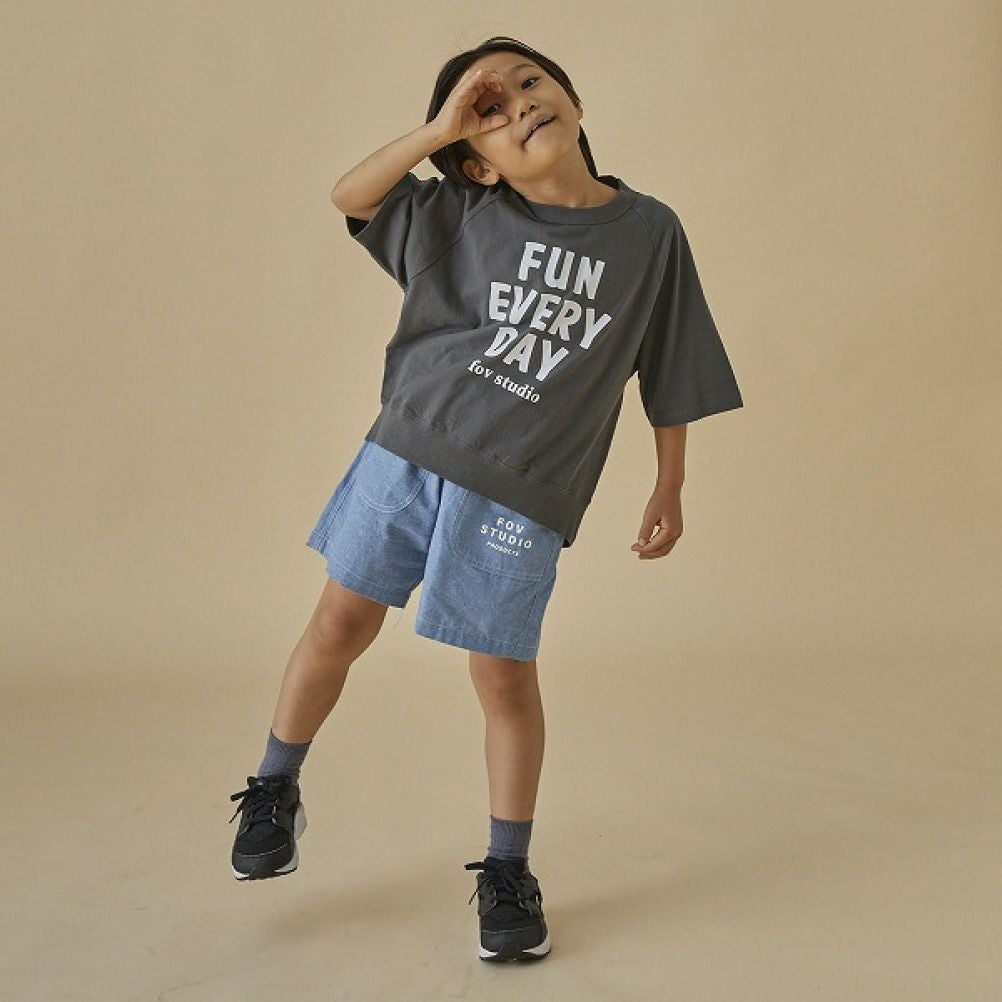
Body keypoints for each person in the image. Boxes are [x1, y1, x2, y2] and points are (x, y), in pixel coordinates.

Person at [227, 35, 743, 964]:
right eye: (491, 110)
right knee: (339, 622)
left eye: (532, 83)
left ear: (574, 97)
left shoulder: (650, 234)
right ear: (477, 163)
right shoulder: (460, 213)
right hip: (407, 454)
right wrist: (438, 130)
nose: (522, 104)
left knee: (503, 677)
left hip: (523, 491)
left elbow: (673, 363)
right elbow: (351, 196)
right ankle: (274, 788)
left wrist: (671, 479)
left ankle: (508, 871)